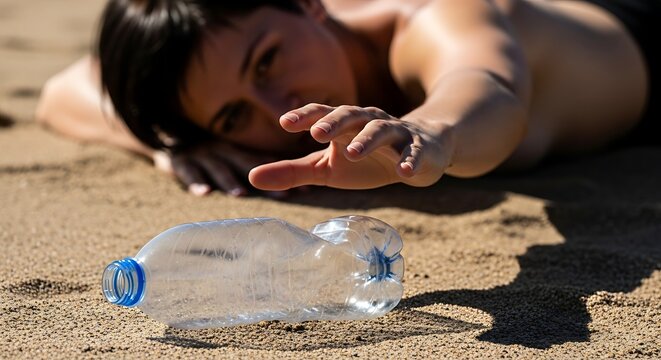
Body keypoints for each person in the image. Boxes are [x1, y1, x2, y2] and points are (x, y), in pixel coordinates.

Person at [36, 0, 659, 197]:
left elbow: (492, 91)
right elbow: (61, 91)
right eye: (233, 116)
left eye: (267, 60)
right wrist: (166, 147)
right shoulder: (240, 66)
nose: (277, 107)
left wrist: (430, 138)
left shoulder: (429, 18)